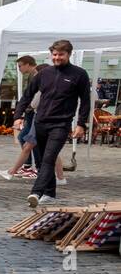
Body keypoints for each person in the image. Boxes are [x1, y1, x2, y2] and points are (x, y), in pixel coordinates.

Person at [13, 39, 90, 207]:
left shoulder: (79, 74)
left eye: (61, 54)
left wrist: (81, 124)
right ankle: (50, 193)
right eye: (54, 54)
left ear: (69, 54)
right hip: (40, 122)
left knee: (49, 158)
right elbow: (27, 95)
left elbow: (85, 101)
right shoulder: (44, 74)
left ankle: (36, 192)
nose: (57, 58)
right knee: (41, 160)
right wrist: (18, 116)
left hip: (61, 125)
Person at [0, 59, 59, 182]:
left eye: (20, 66)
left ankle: (29, 169)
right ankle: (58, 176)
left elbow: (34, 100)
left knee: (28, 143)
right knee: (46, 147)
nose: (19, 68)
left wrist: (27, 109)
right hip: (43, 117)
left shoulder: (41, 81)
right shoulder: (47, 82)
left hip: (40, 117)